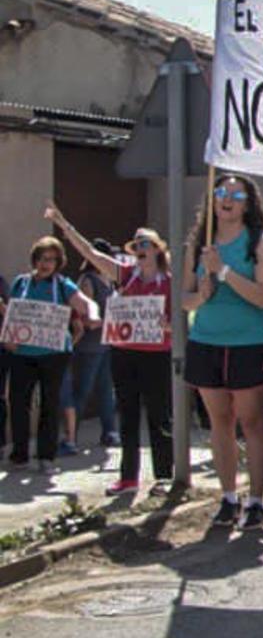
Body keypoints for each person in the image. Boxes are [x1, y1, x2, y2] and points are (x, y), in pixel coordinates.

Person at [44, 207, 174, 494]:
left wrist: (169, 328)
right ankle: (128, 478)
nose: (140, 248)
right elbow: (90, 253)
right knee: (126, 414)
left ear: (157, 250)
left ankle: (165, 475)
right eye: (136, 244)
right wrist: (64, 225)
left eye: (145, 244)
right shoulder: (125, 274)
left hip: (157, 355)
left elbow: (180, 321)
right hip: (124, 353)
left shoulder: (169, 282)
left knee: (159, 415)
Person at [182, 174, 263, 527]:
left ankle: (256, 499)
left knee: (251, 421)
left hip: (249, 343)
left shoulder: (261, 242)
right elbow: (185, 297)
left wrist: (223, 272)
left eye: (236, 195)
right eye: (221, 193)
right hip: (206, 340)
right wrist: (202, 295)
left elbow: (262, 297)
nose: (227, 199)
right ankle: (227, 496)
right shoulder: (199, 244)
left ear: (248, 203)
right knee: (218, 422)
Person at [6, 236, 93, 472]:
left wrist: (90, 311)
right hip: (23, 353)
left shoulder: (63, 285)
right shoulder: (21, 283)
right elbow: (13, 313)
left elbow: (83, 303)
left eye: (52, 260)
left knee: (49, 403)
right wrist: (9, 338)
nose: (47, 264)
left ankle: (46, 457)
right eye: (43, 259)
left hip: (53, 354)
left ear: (58, 263)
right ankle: (20, 455)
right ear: (35, 259)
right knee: (18, 402)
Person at [56, 239, 117, 456]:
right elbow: (83, 315)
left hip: (106, 343)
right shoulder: (88, 281)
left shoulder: (108, 280)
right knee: (83, 389)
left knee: (104, 389)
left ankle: (108, 431)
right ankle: (72, 435)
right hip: (90, 344)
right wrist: (102, 321)